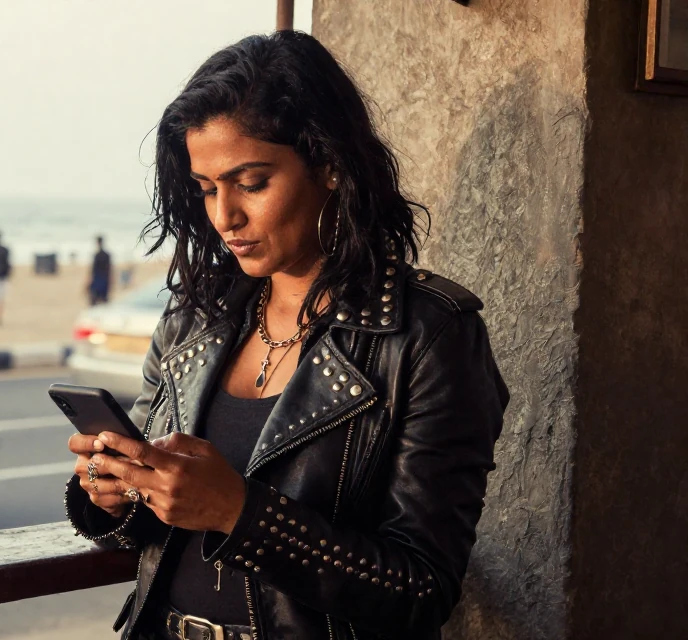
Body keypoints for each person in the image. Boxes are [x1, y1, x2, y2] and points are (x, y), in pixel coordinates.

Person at [65, 32, 508, 640]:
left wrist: (240, 513)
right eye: (206, 189)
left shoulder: (428, 336)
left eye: (250, 182)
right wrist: (110, 490)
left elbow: (421, 588)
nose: (224, 217)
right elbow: (145, 527)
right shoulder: (195, 318)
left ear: (329, 165)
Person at [88, 235, 112, 306]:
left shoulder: (97, 255)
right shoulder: (106, 255)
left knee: (94, 300)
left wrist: (89, 281)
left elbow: (93, 270)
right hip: (104, 280)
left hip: (97, 279)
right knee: (104, 300)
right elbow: (109, 269)